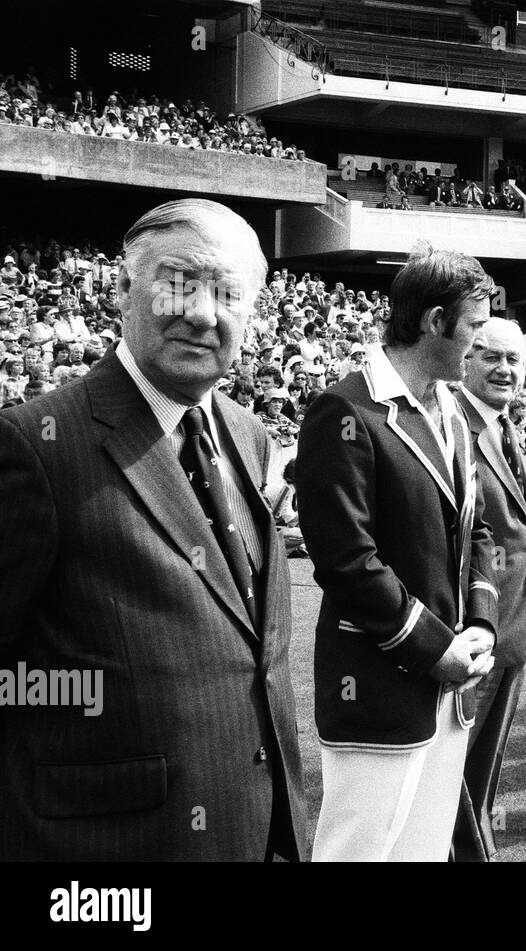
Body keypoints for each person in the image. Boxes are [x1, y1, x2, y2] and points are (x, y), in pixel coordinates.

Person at [0, 198, 307, 860]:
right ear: (120, 287)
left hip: (250, 830)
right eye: (179, 282)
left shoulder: (247, 435)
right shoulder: (36, 445)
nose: (203, 311)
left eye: (228, 293)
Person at [297, 248, 500, 862]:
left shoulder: (450, 409)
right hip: (381, 681)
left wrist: (482, 625)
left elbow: (477, 527)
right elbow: (346, 559)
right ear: (435, 321)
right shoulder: (345, 409)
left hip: (450, 679)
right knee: (359, 853)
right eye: (473, 327)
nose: (479, 343)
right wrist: (434, 647)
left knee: (424, 851)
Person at [451, 318, 526, 862]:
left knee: (483, 764)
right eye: (491, 357)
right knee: (455, 763)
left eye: (514, 358)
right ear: (466, 359)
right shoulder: (453, 423)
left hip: (514, 624)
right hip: (474, 626)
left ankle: (474, 844)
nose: (505, 369)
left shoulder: (506, 425)